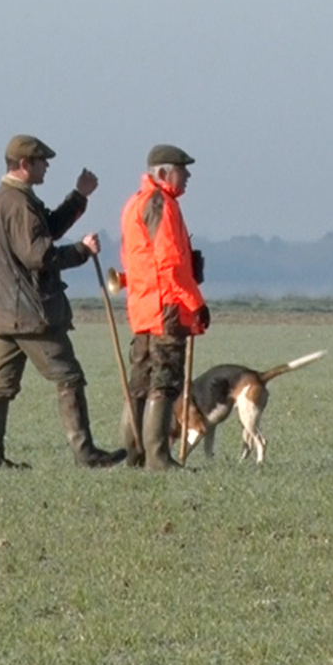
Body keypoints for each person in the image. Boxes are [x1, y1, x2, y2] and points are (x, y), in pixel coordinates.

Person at [0, 134, 128, 469]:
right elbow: (39, 254)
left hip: (4, 312)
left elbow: (48, 229)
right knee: (69, 377)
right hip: (30, 313)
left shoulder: (5, 199)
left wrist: (79, 196)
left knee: (0, 386)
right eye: (42, 161)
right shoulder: (18, 203)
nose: (46, 167)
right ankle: (85, 453)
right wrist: (82, 251)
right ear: (24, 165)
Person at [118, 144, 210, 470]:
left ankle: (134, 453)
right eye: (181, 170)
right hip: (166, 306)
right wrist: (196, 304)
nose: (187, 176)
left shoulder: (134, 204)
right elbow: (169, 263)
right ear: (162, 173)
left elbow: (135, 260)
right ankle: (158, 458)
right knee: (165, 381)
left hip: (141, 307)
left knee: (140, 383)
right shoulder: (162, 205)